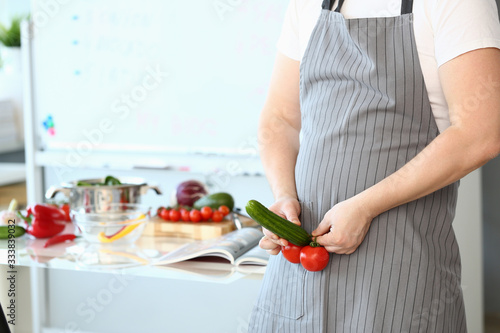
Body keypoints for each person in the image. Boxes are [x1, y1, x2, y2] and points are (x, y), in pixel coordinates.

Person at [248, 0, 500, 332]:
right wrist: (283, 195)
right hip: (298, 274)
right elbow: (279, 119)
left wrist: (365, 206)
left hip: (401, 284)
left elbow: (480, 133)